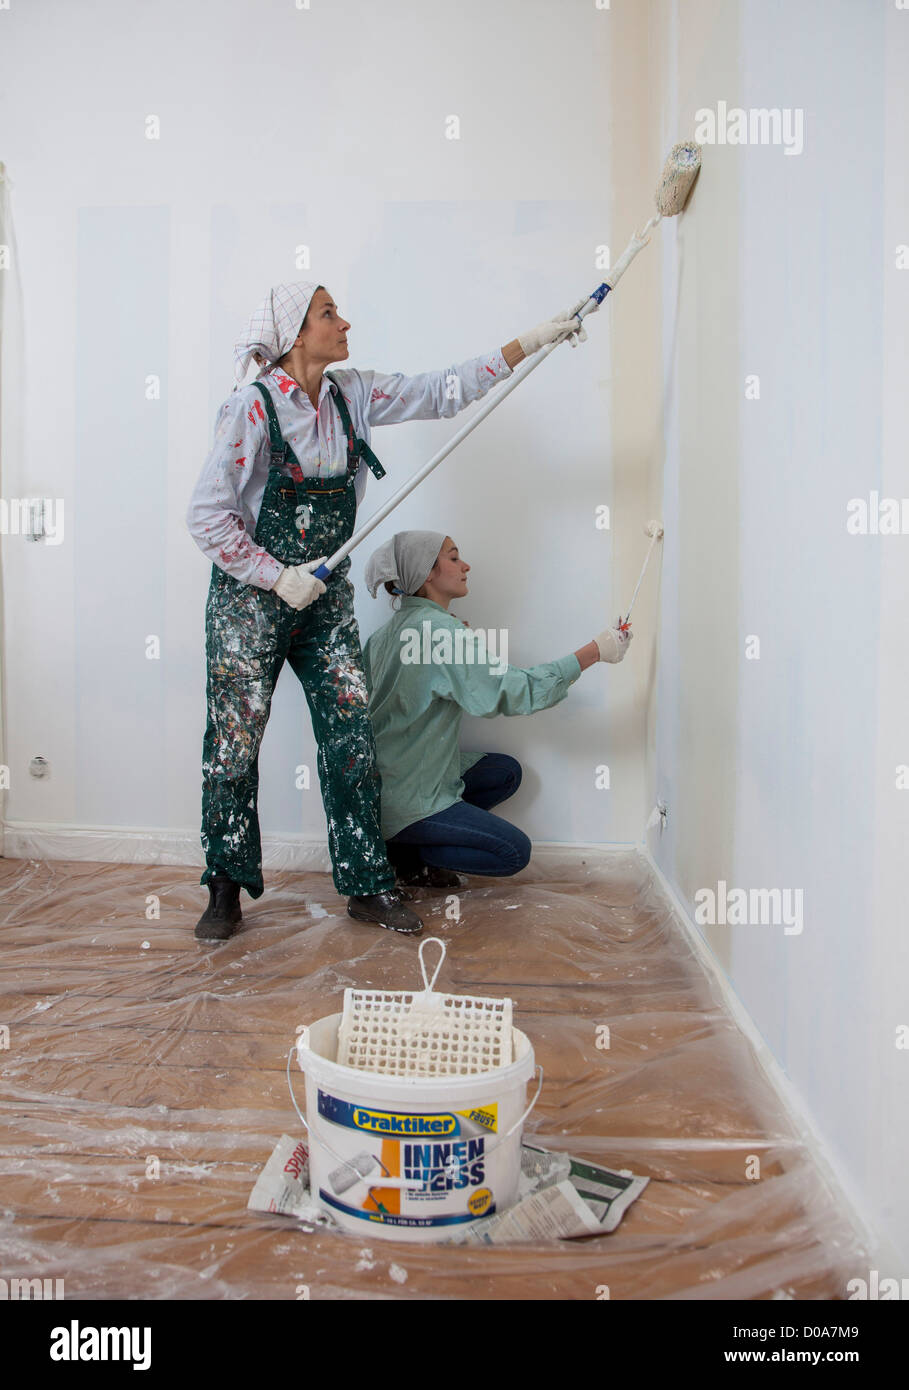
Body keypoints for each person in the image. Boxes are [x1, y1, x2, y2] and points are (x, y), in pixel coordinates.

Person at [186, 281, 590, 941]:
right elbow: (206, 516)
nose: (344, 322)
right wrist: (273, 575)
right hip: (247, 605)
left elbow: (442, 390)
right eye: (327, 314)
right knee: (233, 748)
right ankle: (224, 888)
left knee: (350, 741)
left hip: (324, 602)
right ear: (294, 335)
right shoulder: (250, 410)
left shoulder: (353, 393)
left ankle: (369, 883)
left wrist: (530, 343)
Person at [360, 531, 632, 886]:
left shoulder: (385, 635)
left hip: (384, 783)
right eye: (454, 558)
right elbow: (513, 690)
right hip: (409, 795)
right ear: (427, 573)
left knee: (505, 771)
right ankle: (404, 852)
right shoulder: (441, 633)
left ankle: (406, 836)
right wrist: (595, 651)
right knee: (513, 851)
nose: (466, 566)